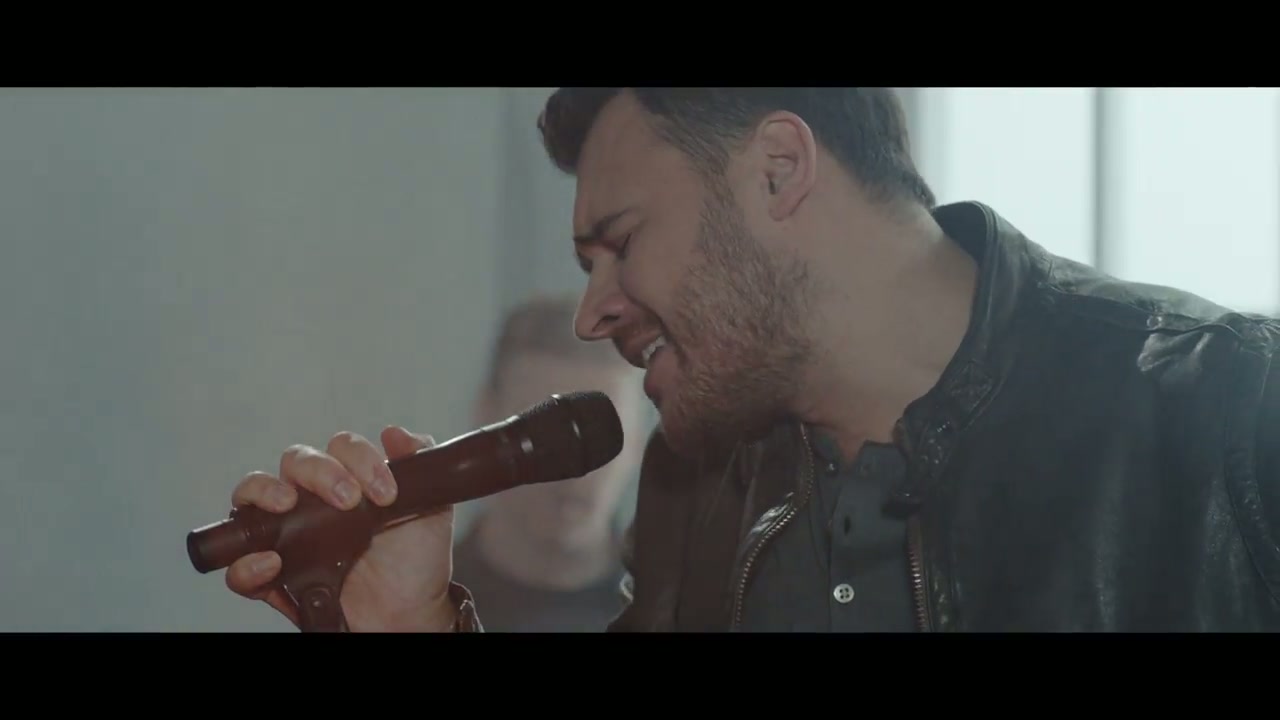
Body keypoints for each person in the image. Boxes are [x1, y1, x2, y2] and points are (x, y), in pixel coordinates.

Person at [223, 88, 1280, 632]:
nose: (593, 314)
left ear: (777, 169)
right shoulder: (696, 481)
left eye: (619, 243)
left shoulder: (1235, 411)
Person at [449, 295, 645, 631]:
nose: (575, 467)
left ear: (638, 441)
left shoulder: (684, 613)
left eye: (602, 433)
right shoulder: (411, 608)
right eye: (544, 433)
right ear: (486, 419)